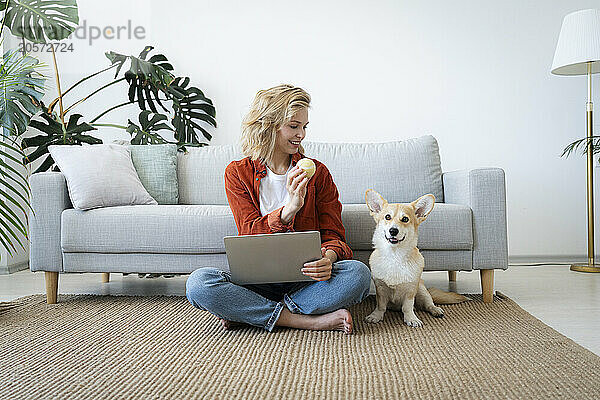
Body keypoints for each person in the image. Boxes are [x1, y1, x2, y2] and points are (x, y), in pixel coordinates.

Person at [185, 84, 371, 334]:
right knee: (199, 283)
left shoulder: (318, 173)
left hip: (307, 281)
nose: (301, 135)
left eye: (304, 127)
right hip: (256, 283)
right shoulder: (237, 173)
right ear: (269, 125)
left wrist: (328, 258)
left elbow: (334, 236)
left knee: (358, 274)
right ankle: (306, 320)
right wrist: (290, 209)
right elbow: (248, 232)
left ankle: (251, 313)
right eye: (294, 126)